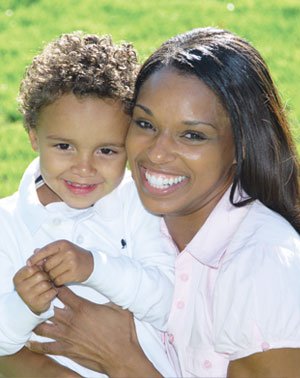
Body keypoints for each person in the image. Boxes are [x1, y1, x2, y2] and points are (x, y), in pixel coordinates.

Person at [26, 26, 300, 378]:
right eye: (145, 123)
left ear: (241, 147)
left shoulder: (263, 268)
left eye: (192, 135)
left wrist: (122, 360)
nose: (156, 153)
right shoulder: (115, 204)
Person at [0, 32, 177, 378]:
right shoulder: (7, 225)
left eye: (107, 150)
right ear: (34, 135)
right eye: (64, 146)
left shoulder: (140, 204)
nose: (84, 168)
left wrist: (94, 267)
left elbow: (169, 305)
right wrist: (23, 306)